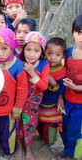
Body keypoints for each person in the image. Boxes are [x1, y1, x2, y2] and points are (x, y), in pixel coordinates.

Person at [0, 28, 28, 160]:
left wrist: (17, 108)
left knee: (8, 133)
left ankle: (7, 154)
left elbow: (22, 90)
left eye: (4, 49)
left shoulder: (18, 66)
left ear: (12, 47)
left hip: (8, 111)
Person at [16, 31, 49, 160]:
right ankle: (19, 146)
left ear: (42, 52)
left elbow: (44, 86)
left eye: (36, 50)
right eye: (28, 49)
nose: (31, 54)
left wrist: (32, 72)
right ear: (23, 49)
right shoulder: (18, 61)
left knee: (30, 124)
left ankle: (28, 148)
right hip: (18, 101)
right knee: (17, 123)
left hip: (33, 104)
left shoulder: (43, 65)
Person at [37, 37, 66, 154]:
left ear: (63, 56)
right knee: (39, 123)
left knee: (50, 127)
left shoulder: (62, 71)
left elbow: (61, 90)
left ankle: (48, 143)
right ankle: (41, 137)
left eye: (57, 55)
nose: (53, 57)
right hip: (38, 103)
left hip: (52, 105)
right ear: (44, 52)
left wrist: (52, 81)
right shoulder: (41, 65)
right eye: (49, 53)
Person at [61, 14, 82, 159]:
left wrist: (75, 88)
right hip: (67, 100)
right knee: (64, 128)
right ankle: (67, 150)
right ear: (73, 33)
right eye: (79, 32)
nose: (81, 37)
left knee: (76, 131)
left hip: (80, 105)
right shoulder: (68, 52)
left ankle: (74, 155)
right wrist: (60, 97)